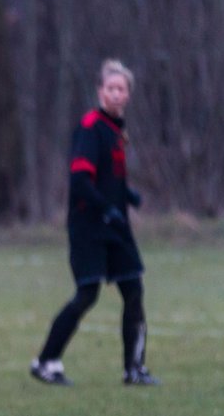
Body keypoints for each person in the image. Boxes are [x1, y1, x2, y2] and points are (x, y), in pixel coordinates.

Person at [31, 58, 158, 387]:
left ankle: (134, 369)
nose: (116, 94)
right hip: (90, 225)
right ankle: (46, 362)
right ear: (100, 91)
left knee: (134, 289)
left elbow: (105, 176)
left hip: (115, 225)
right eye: (110, 88)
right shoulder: (91, 126)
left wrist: (126, 196)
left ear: (128, 94)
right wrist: (106, 208)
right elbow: (80, 180)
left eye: (122, 89)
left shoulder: (117, 129)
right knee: (87, 293)